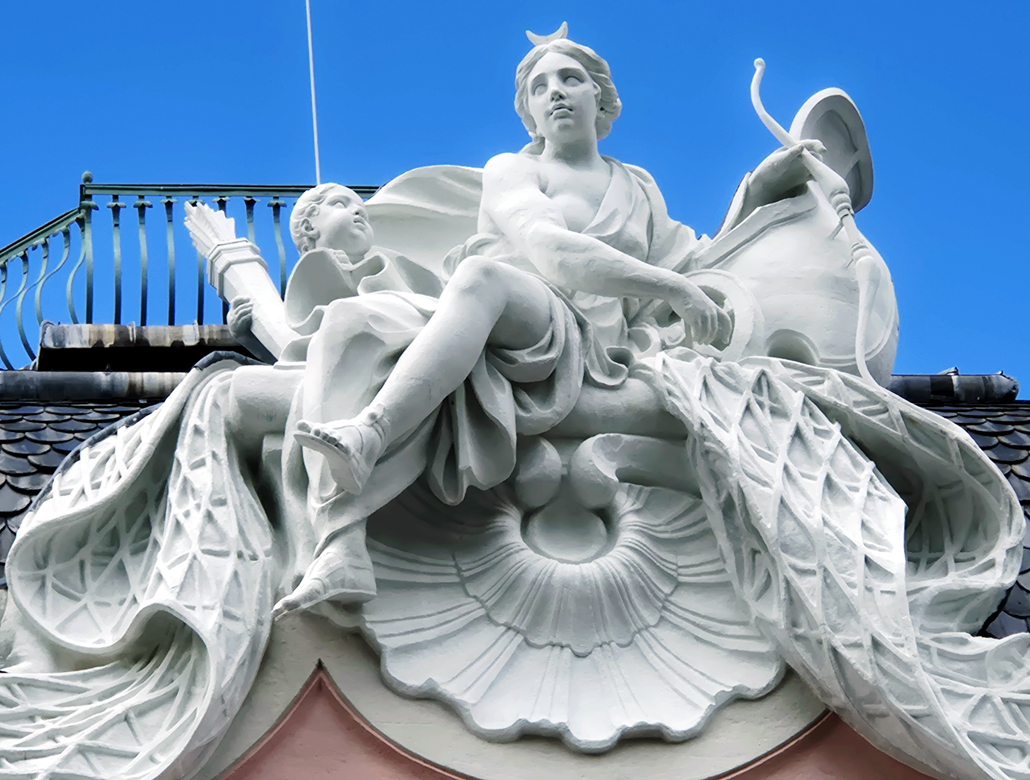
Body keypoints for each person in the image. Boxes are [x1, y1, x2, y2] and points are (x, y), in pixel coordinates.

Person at [276, 30, 823, 617]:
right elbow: (552, 251)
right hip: (524, 318)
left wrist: (757, 194)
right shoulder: (512, 170)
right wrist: (673, 287)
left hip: (593, 347)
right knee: (352, 320)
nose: (555, 92)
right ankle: (342, 542)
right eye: (539, 87)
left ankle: (372, 431)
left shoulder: (638, 186)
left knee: (481, 279)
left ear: (600, 97)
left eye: (570, 79)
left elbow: (692, 264)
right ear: (530, 114)